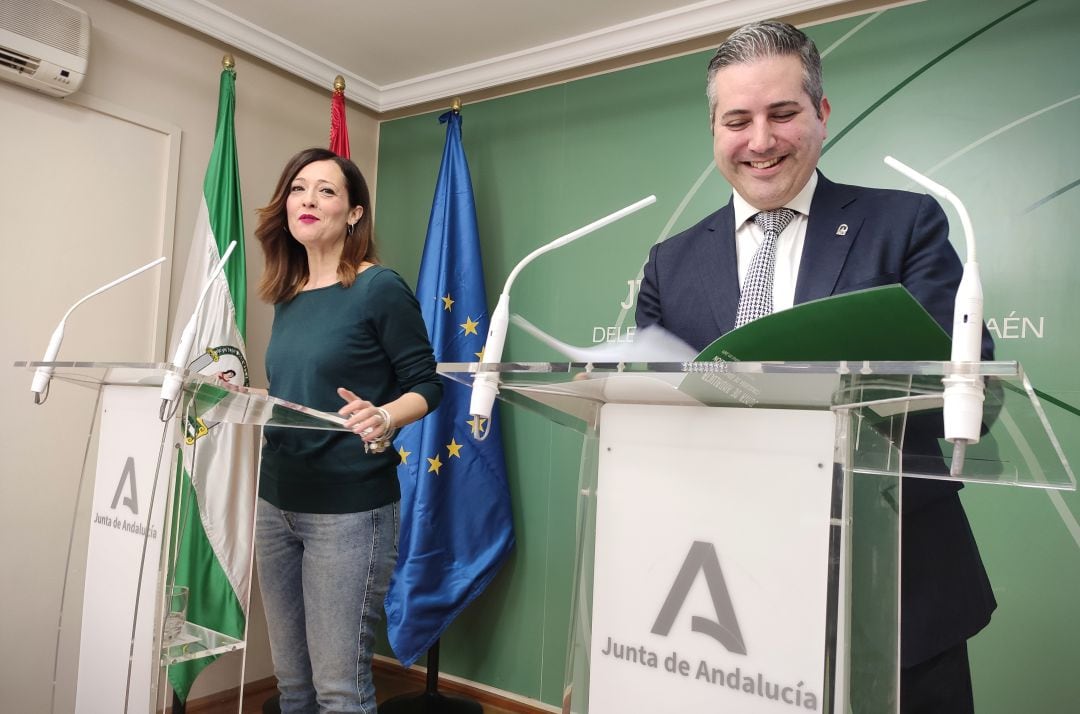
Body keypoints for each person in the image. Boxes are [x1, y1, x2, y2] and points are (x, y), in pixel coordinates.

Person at [636, 21, 995, 714]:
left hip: (894, 591)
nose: (761, 140)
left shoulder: (907, 224)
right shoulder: (670, 263)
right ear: (714, 129)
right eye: (737, 120)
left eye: (783, 113)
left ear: (822, 114)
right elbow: (649, 414)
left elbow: (962, 371)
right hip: (720, 589)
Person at [253, 147, 442, 713]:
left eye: (326, 190)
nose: (308, 199)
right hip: (275, 503)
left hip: (350, 511)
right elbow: (300, 395)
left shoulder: (377, 287)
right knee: (292, 686)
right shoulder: (286, 296)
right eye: (298, 188)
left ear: (354, 213)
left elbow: (427, 383)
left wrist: (384, 415)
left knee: (338, 689)